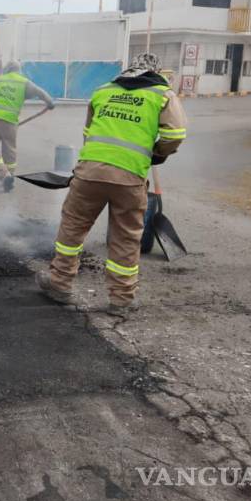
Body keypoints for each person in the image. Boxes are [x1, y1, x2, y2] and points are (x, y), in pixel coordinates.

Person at [37, 53, 187, 309]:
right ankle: (121, 300)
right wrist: (157, 153)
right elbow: (175, 134)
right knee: (126, 238)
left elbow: (89, 133)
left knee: (72, 229)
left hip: (89, 173)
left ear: (129, 69)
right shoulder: (162, 95)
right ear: (155, 71)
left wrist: (95, 162)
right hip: (129, 178)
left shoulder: (103, 91)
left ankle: (60, 285)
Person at [0, 61, 55, 192]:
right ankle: (9, 176)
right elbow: (40, 93)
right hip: (10, 123)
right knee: (9, 151)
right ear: (18, 70)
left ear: (7, 69)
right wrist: (50, 102)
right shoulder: (23, 82)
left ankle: (4, 176)